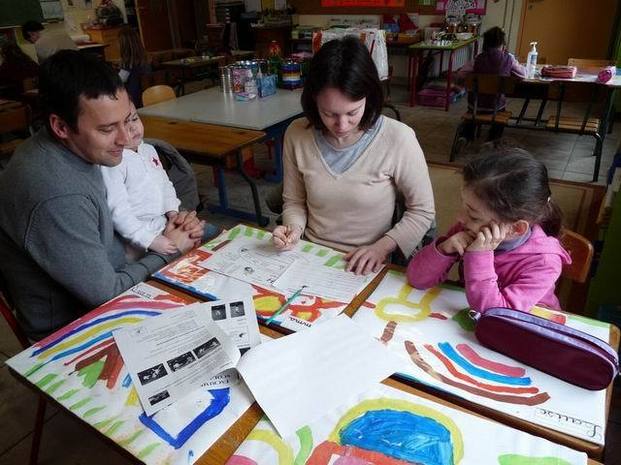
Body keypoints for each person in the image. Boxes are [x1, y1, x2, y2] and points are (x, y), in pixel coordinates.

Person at [0, 50, 203, 340]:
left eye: (128, 120)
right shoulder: (57, 193)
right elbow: (106, 295)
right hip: (74, 326)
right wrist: (168, 248)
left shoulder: (73, 147)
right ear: (61, 126)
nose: (126, 139)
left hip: (116, 271)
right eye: (107, 129)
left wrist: (168, 227)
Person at [272, 36, 435, 275]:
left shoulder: (398, 138)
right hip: (310, 254)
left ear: (369, 97)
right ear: (313, 101)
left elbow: (422, 211)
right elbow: (294, 201)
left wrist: (381, 248)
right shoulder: (298, 133)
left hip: (368, 262)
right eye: (329, 113)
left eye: (352, 112)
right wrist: (293, 229)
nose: (341, 124)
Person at [407, 149, 571, 313]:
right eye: (463, 206)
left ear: (516, 228)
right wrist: (444, 249)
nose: (460, 218)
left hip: (524, 326)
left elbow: (497, 315)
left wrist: (479, 257)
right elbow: (417, 279)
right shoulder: (469, 229)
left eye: (474, 216)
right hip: (470, 313)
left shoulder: (544, 262)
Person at [101, 101, 219, 259]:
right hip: (139, 238)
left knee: (212, 233)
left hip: (163, 222)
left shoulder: (148, 150)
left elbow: (165, 184)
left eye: (134, 119)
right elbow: (118, 212)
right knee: (177, 256)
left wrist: (173, 212)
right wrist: (151, 241)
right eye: (121, 125)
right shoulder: (113, 162)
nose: (132, 128)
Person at [459, 27, 527, 142]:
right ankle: (493, 138)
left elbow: (461, 74)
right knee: (499, 114)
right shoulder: (508, 59)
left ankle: (466, 136)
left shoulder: (478, 59)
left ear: (485, 44)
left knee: (472, 112)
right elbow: (523, 74)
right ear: (503, 44)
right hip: (496, 107)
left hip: (475, 106)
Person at [118, 27, 151, 108]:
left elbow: (119, 81)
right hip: (148, 96)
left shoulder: (128, 63)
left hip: (134, 100)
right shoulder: (145, 58)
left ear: (123, 45)